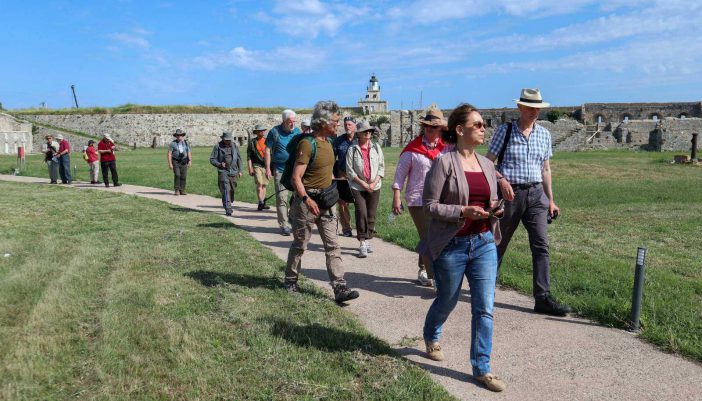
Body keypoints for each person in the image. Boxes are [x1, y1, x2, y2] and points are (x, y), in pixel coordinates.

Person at [421, 104, 506, 392]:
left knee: (484, 308)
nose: (484, 129)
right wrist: (462, 211)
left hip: (483, 244)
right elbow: (429, 205)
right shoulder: (443, 163)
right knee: (448, 300)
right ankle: (432, 335)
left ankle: (482, 368)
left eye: (483, 124)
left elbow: (491, 201)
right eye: (478, 124)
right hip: (451, 245)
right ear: (460, 130)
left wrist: (496, 210)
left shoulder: (487, 165)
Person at [486, 88, 571, 316]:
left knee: (541, 245)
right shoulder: (505, 132)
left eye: (538, 108)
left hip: (536, 195)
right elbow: (488, 163)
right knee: (498, 243)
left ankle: (542, 297)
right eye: (530, 107)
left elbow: (545, 169)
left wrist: (551, 200)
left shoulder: (544, 134)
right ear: (520, 108)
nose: (535, 112)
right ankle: (486, 290)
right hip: (509, 195)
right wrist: (501, 180)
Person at [284, 100, 359, 304]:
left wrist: (338, 187)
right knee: (300, 245)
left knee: (333, 245)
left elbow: (326, 172)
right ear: (324, 122)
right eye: (335, 121)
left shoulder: (329, 143)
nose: (338, 124)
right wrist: (307, 199)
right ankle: (290, 280)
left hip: (326, 202)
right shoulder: (307, 144)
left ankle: (339, 286)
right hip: (305, 203)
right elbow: (296, 178)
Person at [391, 106, 450, 287]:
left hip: (441, 199)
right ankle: (436, 277)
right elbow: (400, 174)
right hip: (418, 200)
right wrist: (396, 196)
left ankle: (423, 269)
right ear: (424, 127)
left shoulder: (446, 149)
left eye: (435, 126)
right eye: (428, 126)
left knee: (435, 236)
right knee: (428, 237)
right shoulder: (412, 149)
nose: (431, 129)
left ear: (441, 128)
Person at [345, 121, 385, 258]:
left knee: (371, 214)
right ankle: (362, 242)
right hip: (358, 186)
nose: (368, 133)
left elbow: (381, 167)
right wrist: (363, 183)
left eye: (369, 131)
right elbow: (349, 170)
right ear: (359, 134)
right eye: (365, 131)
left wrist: (374, 182)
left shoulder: (376, 148)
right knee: (361, 212)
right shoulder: (352, 149)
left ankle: (368, 239)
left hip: (375, 185)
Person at [265, 109, 302, 236]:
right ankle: (284, 225)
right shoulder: (274, 132)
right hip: (280, 170)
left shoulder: (297, 132)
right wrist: (268, 168)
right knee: (281, 198)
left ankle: (291, 216)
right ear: (284, 121)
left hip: (295, 170)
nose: (293, 124)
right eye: (290, 122)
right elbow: (267, 150)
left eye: (294, 122)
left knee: (298, 196)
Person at [332, 116, 356, 237]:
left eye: (350, 124)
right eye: (346, 124)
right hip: (342, 173)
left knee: (359, 201)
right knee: (342, 202)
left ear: (355, 125)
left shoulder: (359, 139)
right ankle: (346, 228)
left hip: (357, 175)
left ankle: (363, 228)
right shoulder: (339, 140)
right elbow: (332, 157)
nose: (347, 126)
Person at [210, 132, 243, 216]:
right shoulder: (217, 146)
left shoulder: (234, 146)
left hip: (234, 171)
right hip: (223, 171)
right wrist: (219, 164)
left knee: (232, 189)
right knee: (225, 189)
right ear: (223, 139)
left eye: (229, 140)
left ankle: (229, 201)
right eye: (226, 140)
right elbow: (212, 159)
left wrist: (240, 170)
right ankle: (228, 208)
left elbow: (239, 158)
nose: (228, 141)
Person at [247, 124, 271, 211]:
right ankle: (260, 202)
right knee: (259, 183)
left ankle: (262, 203)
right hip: (256, 165)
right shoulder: (252, 142)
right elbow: (249, 156)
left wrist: (270, 167)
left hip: (266, 166)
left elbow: (271, 154)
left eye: (263, 130)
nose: (262, 131)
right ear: (256, 132)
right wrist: (250, 168)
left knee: (264, 185)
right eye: (260, 130)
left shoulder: (267, 141)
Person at [168, 129, 192, 195]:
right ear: (176, 136)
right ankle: (177, 190)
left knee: (183, 176)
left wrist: (190, 160)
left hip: (184, 161)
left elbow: (189, 152)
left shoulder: (186, 143)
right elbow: (169, 153)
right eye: (178, 135)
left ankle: (182, 190)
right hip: (175, 161)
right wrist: (170, 163)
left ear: (182, 136)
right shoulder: (173, 143)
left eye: (180, 135)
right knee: (177, 175)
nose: (179, 137)